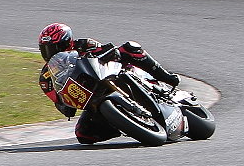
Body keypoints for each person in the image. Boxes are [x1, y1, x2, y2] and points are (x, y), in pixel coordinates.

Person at [36, 23, 180, 145]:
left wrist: (111, 53)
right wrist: (65, 103)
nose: (51, 52)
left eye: (55, 47)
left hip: (112, 76)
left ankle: (165, 77)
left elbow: (106, 50)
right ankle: (125, 124)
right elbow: (63, 105)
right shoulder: (46, 78)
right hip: (92, 100)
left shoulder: (84, 45)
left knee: (130, 47)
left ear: (68, 42)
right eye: (46, 49)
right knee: (84, 135)